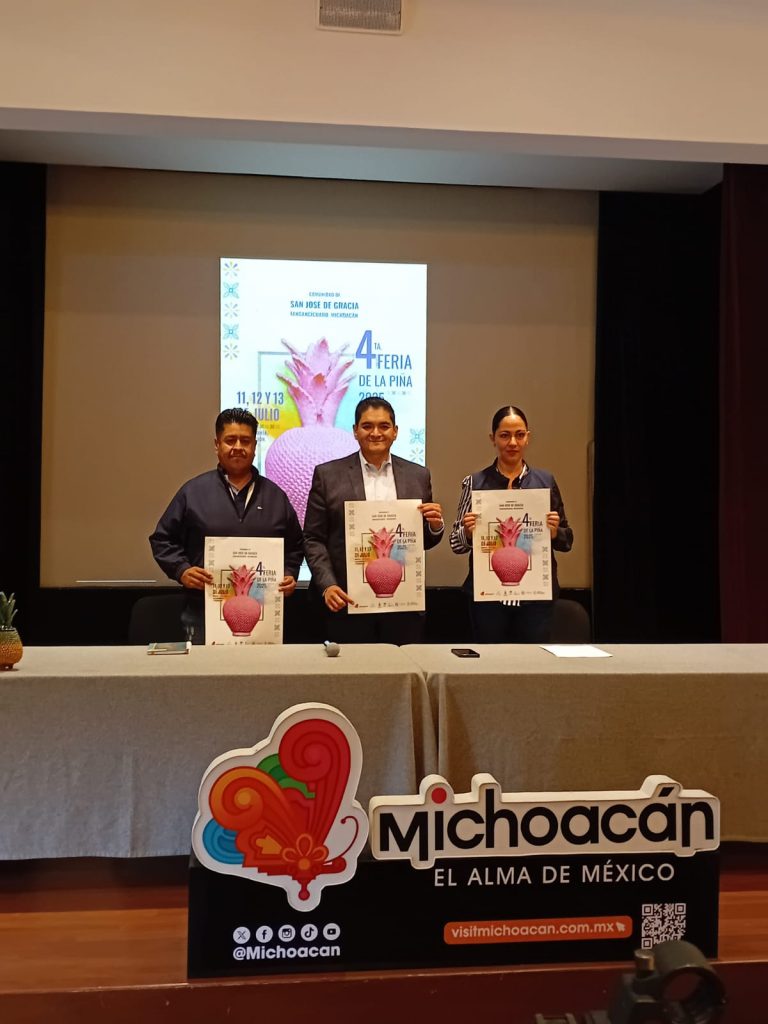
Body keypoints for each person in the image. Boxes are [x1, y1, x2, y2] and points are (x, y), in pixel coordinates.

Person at [149, 408, 304, 641]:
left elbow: (296, 545)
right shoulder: (193, 492)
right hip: (202, 612)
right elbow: (162, 539)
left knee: (262, 666)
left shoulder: (275, 496)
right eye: (230, 440)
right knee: (204, 666)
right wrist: (182, 570)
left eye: (246, 441)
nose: (238, 447)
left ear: (254, 446)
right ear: (217, 445)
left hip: (264, 614)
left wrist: (290, 573)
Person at [304, 397, 444, 643]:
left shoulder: (418, 476)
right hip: (346, 603)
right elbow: (313, 539)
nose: (376, 433)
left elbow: (420, 541)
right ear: (355, 431)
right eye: (367, 426)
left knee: (403, 667)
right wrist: (327, 585)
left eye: (384, 426)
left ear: (395, 431)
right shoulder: (328, 476)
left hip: (402, 607)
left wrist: (434, 526)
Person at [449, 405, 573, 643]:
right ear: (493, 438)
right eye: (505, 435)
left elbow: (567, 540)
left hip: (536, 599)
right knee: (491, 661)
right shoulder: (475, 483)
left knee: (532, 661)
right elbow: (456, 544)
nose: (513, 442)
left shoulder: (545, 482)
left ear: (528, 437)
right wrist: (467, 532)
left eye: (519, 434)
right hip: (488, 599)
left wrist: (555, 532)